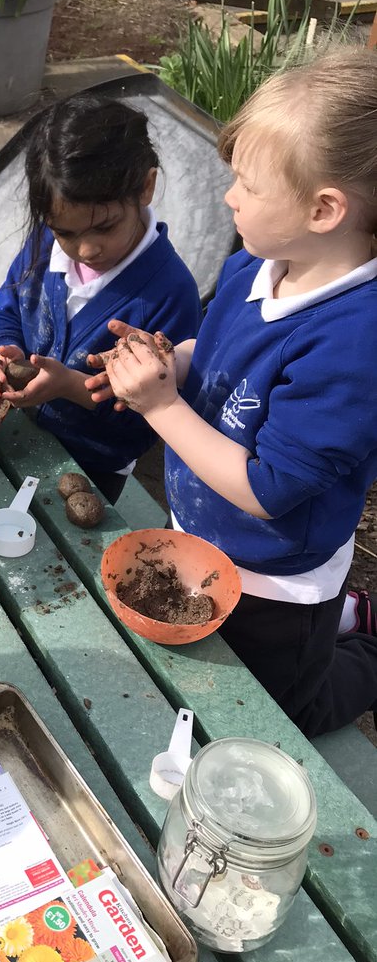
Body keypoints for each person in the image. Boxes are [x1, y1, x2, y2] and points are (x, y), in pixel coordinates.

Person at [91, 48, 377, 736]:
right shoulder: (262, 261)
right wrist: (175, 363)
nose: (229, 196)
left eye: (246, 183)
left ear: (323, 208)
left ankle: (362, 640)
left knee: (287, 708)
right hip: (210, 535)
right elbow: (216, 354)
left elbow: (268, 489)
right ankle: (341, 616)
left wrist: (161, 405)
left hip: (277, 573)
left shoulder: (354, 344)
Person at [0, 93, 202, 504]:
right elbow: (2, 312)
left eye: (105, 227)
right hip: (20, 432)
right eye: (66, 233)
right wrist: (3, 351)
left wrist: (68, 385)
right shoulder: (46, 243)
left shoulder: (169, 293)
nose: (85, 250)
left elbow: (149, 417)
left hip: (95, 465)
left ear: (146, 187)